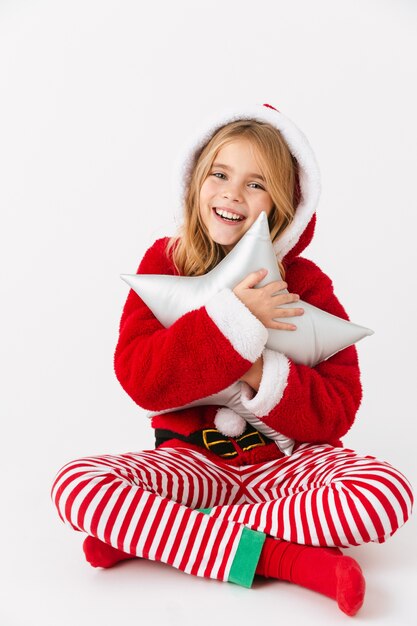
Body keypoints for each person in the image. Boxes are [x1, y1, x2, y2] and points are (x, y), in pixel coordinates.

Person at [51, 103, 413, 617]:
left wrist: (254, 365)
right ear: (196, 180)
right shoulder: (167, 263)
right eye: (220, 174)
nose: (231, 193)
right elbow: (141, 381)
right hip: (193, 461)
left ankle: (159, 534)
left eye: (255, 183)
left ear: (286, 204)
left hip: (288, 468)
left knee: (385, 494)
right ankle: (287, 561)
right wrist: (233, 325)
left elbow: (338, 410)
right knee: (77, 485)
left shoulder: (307, 285)